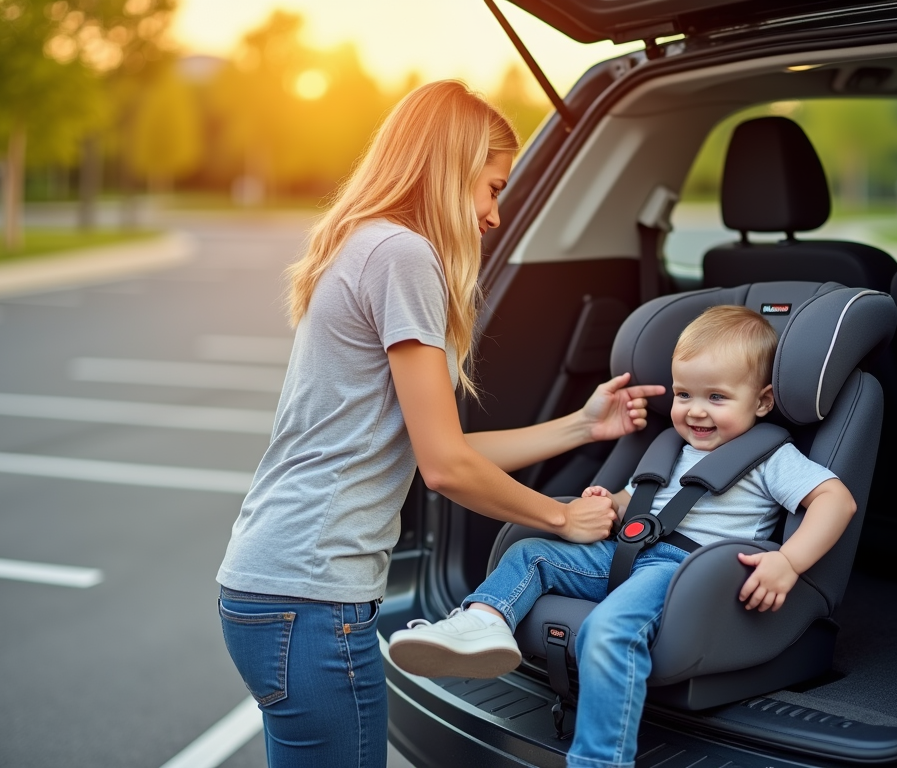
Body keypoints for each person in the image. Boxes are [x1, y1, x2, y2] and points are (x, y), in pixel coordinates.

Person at [215, 79, 664, 768]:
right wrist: (561, 518)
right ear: (446, 168)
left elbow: (440, 446)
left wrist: (582, 425)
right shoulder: (404, 255)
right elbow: (446, 469)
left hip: (274, 588)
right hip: (309, 599)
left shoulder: (367, 244)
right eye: (491, 186)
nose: (494, 214)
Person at [388, 305, 857, 768]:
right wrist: (605, 501)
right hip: (625, 555)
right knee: (532, 553)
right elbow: (632, 499)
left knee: (607, 630)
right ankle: (482, 622)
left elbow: (836, 501)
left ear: (762, 401)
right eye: (684, 394)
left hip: (685, 574)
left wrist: (789, 561)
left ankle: (599, 761)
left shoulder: (772, 458)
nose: (695, 411)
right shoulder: (671, 446)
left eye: (717, 397)